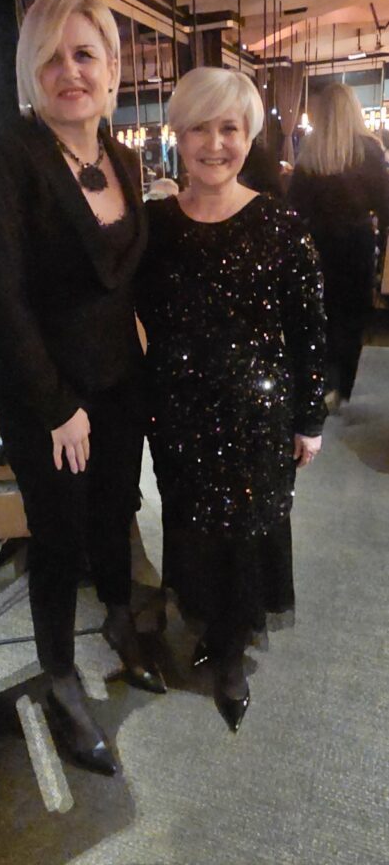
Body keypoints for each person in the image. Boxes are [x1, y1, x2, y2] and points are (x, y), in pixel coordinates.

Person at [0, 0, 165, 778]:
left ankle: (117, 619)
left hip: (120, 380)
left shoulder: (122, 158)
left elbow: (124, 282)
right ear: (29, 71)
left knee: (115, 512)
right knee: (55, 538)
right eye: (51, 58)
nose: (69, 71)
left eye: (84, 54)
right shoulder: (3, 154)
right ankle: (58, 677)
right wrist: (55, 406)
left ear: (111, 67)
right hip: (44, 392)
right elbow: (3, 293)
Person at [137, 66, 327, 733]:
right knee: (190, 523)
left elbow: (310, 329)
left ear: (248, 136)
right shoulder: (154, 226)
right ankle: (206, 625)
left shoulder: (279, 223)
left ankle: (232, 650)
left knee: (247, 531)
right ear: (177, 134)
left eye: (229, 128)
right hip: (177, 413)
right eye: (199, 128)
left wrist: (310, 418)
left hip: (257, 416)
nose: (214, 144)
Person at [288, 83, 389, 410]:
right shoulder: (369, 150)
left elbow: (294, 208)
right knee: (353, 316)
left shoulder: (310, 151)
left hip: (318, 244)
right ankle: (343, 385)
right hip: (357, 243)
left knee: (322, 315)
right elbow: (384, 204)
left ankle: (322, 383)